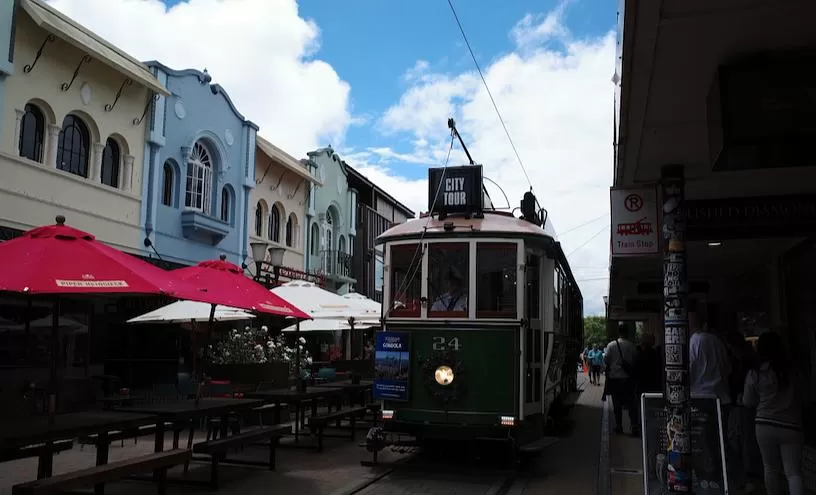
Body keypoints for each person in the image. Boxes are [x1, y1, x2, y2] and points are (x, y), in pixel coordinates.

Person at [741, 331, 804, 495]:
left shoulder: (755, 373)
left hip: (764, 424)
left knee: (769, 468)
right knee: (793, 472)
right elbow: (802, 394)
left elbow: (748, 401)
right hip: (791, 424)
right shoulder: (792, 371)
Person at [604, 322, 640, 436]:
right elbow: (635, 359)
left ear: (618, 332)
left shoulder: (611, 345)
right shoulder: (631, 345)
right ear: (627, 332)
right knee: (631, 403)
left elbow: (606, 360)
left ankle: (619, 426)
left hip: (615, 379)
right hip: (628, 378)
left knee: (617, 404)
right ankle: (634, 425)